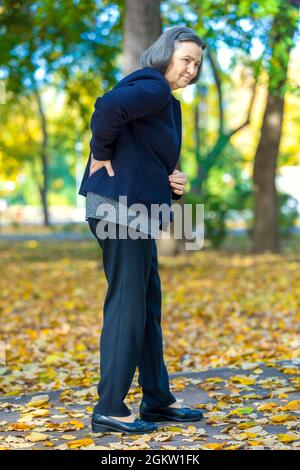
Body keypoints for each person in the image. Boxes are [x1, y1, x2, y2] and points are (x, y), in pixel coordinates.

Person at [78, 26, 206, 434]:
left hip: (136, 211)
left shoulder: (168, 105)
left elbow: (151, 158)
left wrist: (175, 183)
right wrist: (100, 153)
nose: (191, 68)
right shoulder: (152, 84)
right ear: (166, 54)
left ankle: (157, 400)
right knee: (129, 304)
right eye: (186, 59)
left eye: (197, 64)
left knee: (147, 302)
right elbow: (107, 107)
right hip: (119, 208)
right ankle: (110, 407)